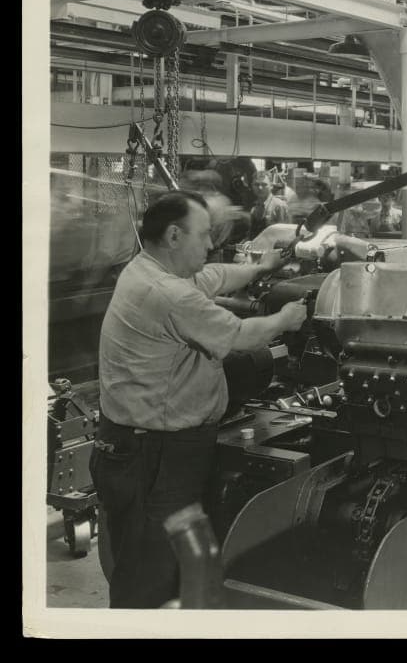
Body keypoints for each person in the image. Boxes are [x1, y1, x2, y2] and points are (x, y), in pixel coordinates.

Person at [91, 192, 307, 608]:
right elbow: (243, 337)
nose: (210, 245)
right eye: (204, 235)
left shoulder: (149, 270)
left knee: (164, 567)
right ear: (174, 236)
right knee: (150, 578)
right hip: (155, 455)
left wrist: (262, 266)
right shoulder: (167, 294)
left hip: (143, 446)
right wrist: (286, 319)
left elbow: (214, 277)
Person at [249, 171, 290, 238]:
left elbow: (285, 234)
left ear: (271, 186)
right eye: (256, 184)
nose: (260, 188)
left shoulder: (279, 206)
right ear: (252, 186)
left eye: (264, 185)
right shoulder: (254, 206)